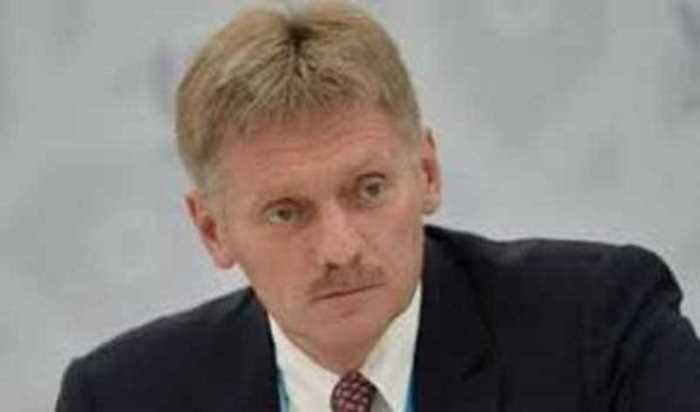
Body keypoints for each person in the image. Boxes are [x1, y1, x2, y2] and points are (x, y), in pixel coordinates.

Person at [56, 1, 700, 411]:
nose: (340, 249)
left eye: (368, 190)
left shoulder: (600, 330)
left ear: (426, 173)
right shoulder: (120, 398)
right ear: (212, 230)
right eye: (286, 212)